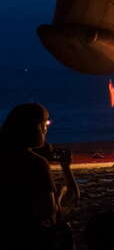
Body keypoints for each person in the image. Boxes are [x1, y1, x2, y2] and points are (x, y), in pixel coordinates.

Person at [0, 103, 79, 249]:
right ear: (36, 126)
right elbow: (50, 212)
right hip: (32, 237)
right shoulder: (35, 163)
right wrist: (65, 171)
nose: (47, 127)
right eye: (45, 121)